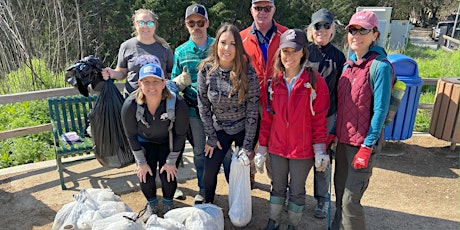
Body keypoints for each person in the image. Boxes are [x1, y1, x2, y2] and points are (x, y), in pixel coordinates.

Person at [258, 29, 330, 229]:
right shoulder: (273, 82)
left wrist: (319, 150)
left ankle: (292, 224)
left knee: (297, 190)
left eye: (294, 51)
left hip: (303, 150)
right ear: (280, 53)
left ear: (303, 53)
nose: (289, 56)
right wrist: (262, 148)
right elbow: (267, 119)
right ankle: (273, 221)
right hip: (277, 147)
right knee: (277, 187)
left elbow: (319, 119)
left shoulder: (314, 82)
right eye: (285, 51)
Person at [331, 11, 392, 230]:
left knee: (350, 201)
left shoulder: (381, 67)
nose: (356, 35)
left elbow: (380, 111)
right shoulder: (348, 67)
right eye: (352, 30)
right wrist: (333, 133)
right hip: (343, 142)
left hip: (362, 145)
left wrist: (368, 146)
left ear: (374, 34)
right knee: (339, 197)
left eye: (363, 30)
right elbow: (342, 106)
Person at [197, 23, 259, 204]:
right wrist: (210, 136)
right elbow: (203, 104)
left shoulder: (249, 72)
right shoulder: (206, 70)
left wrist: (248, 146)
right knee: (209, 170)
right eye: (223, 42)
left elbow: (253, 110)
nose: (227, 48)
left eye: (232, 43)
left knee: (241, 168)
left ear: (238, 47)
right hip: (219, 127)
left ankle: (241, 205)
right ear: (216, 44)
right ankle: (208, 204)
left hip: (243, 126)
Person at [121, 63, 189, 221]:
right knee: (145, 174)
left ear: (164, 83)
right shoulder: (130, 105)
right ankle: (151, 204)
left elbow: (180, 134)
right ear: (140, 84)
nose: (151, 86)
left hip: (169, 140)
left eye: (156, 81)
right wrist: (141, 162)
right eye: (146, 82)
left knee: (168, 174)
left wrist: (171, 161)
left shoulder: (176, 103)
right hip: (145, 141)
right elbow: (130, 135)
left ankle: (168, 204)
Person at [170, 3, 215, 204]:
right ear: (186, 25)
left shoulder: (219, 46)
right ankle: (203, 189)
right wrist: (179, 82)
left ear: (207, 23)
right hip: (194, 110)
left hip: (219, 111)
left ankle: (235, 190)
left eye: (200, 22)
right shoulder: (180, 52)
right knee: (199, 152)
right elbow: (171, 86)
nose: (196, 26)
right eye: (191, 23)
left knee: (227, 153)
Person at [240, 0, 288, 183]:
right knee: (249, 141)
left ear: (274, 9)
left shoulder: (286, 34)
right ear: (251, 10)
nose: (262, 12)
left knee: (276, 144)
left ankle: (277, 184)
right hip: (251, 99)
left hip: (279, 99)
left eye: (267, 8)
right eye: (258, 8)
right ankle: (248, 177)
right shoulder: (241, 37)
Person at [305, 8, 346, 219]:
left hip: (327, 116)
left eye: (326, 26)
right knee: (300, 156)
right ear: (311, 29)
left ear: (333, 29)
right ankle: (296, 196)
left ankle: (322, 200)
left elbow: (342, 92)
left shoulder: (339, 57)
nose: (321, 30)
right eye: (317, 25)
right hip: (303, 116)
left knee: (323, 158)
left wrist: (338, 124)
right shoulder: (303, 51)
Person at [101, 8, 174, 97]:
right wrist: (112, 73)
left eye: (150, 23)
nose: (145, 27)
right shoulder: (126, 46)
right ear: (135, 25)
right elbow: (122, 72)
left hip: (158, 99)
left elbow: (171, 74)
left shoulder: (164, 48)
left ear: (155, 26)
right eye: (141, 23)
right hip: (132, 99)